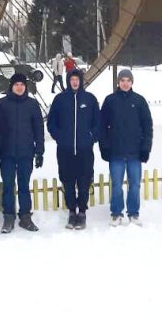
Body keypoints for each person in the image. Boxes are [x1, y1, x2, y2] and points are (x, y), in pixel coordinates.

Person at [46, 66, 100, 229]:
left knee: (84, 180)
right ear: (68, 81)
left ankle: (82, 211)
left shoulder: (90, 99)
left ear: (81, 81)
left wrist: (91, 137)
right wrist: (60, 137)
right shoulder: (60, 99)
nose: (75, 82)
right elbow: (51, 122)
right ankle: (71, 211)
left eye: (77, 79)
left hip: (84, 149)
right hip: (65, 149)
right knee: (68, 181)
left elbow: (98, 122)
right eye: (72, 79)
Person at [99, 68, 153, 226]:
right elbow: (102, 127)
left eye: (128, 80)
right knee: (116, 185)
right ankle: (116, 213)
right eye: (122, 80)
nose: (125, 83)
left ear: (132, 82)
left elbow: (147, 126)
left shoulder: (139, 101)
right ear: (118, 82)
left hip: (135, 153)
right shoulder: (110, 100)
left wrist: (145, 148)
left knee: (134, 185)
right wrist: (105, 147)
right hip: (116, 152)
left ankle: (134, 213)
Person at [0, 72, 44, 232]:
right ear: (11, 86)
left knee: (24, 185)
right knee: (8, 186)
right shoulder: (2, 104)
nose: (20, 87)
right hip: (6, 153)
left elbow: (38, 129)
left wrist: (39, 151)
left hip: (25, 152)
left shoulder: (32, 104)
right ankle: (8, 216)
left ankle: (25, 216)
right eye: (16, 85)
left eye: (22, 84)